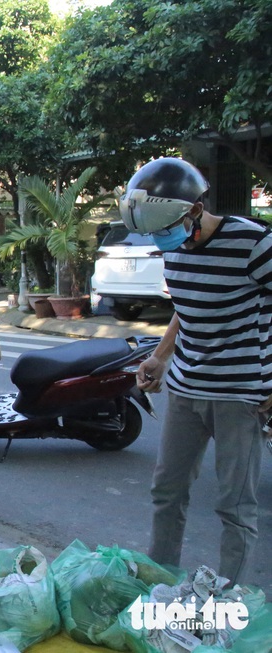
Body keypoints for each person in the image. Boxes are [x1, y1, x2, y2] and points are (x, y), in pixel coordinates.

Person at [127, 157, 269, 585]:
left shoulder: (254, 244)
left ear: (192, 211)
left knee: (234, 505)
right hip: (187, 389)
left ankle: (226, 598)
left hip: (239, 395)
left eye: (162, 229)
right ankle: (160, 580)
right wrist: (161, 356)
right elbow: (185, 308)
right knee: (167, 492)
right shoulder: (174, 250)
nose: (158, 240)